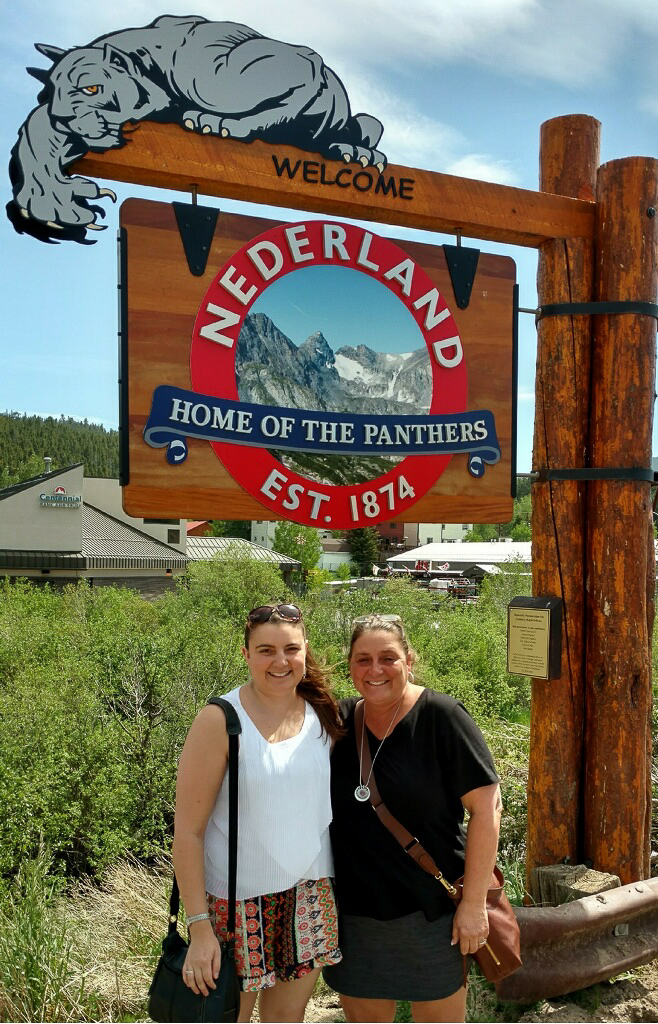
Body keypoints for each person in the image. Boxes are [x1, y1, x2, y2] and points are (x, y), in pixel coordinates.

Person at [323, 614, 502, 1024]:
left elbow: (487, 808)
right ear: (349, 665)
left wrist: (473, 904)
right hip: (357, 915)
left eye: (388, 658)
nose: (375, 670)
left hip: (434, 913)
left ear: (409, 660)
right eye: (363, 659)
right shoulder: (339, 723)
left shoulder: (441, 717)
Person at [172, 602, 344, 1023]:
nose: (280, 661)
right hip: (235, 905)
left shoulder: (324, 713)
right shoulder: (221, 720)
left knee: (286, 1019)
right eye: (266, 650)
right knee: (227, 1018)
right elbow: (188, 833)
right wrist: (198, 928)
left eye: (290, 648)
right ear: (246, 654)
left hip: (310, 894)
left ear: (306, 651)